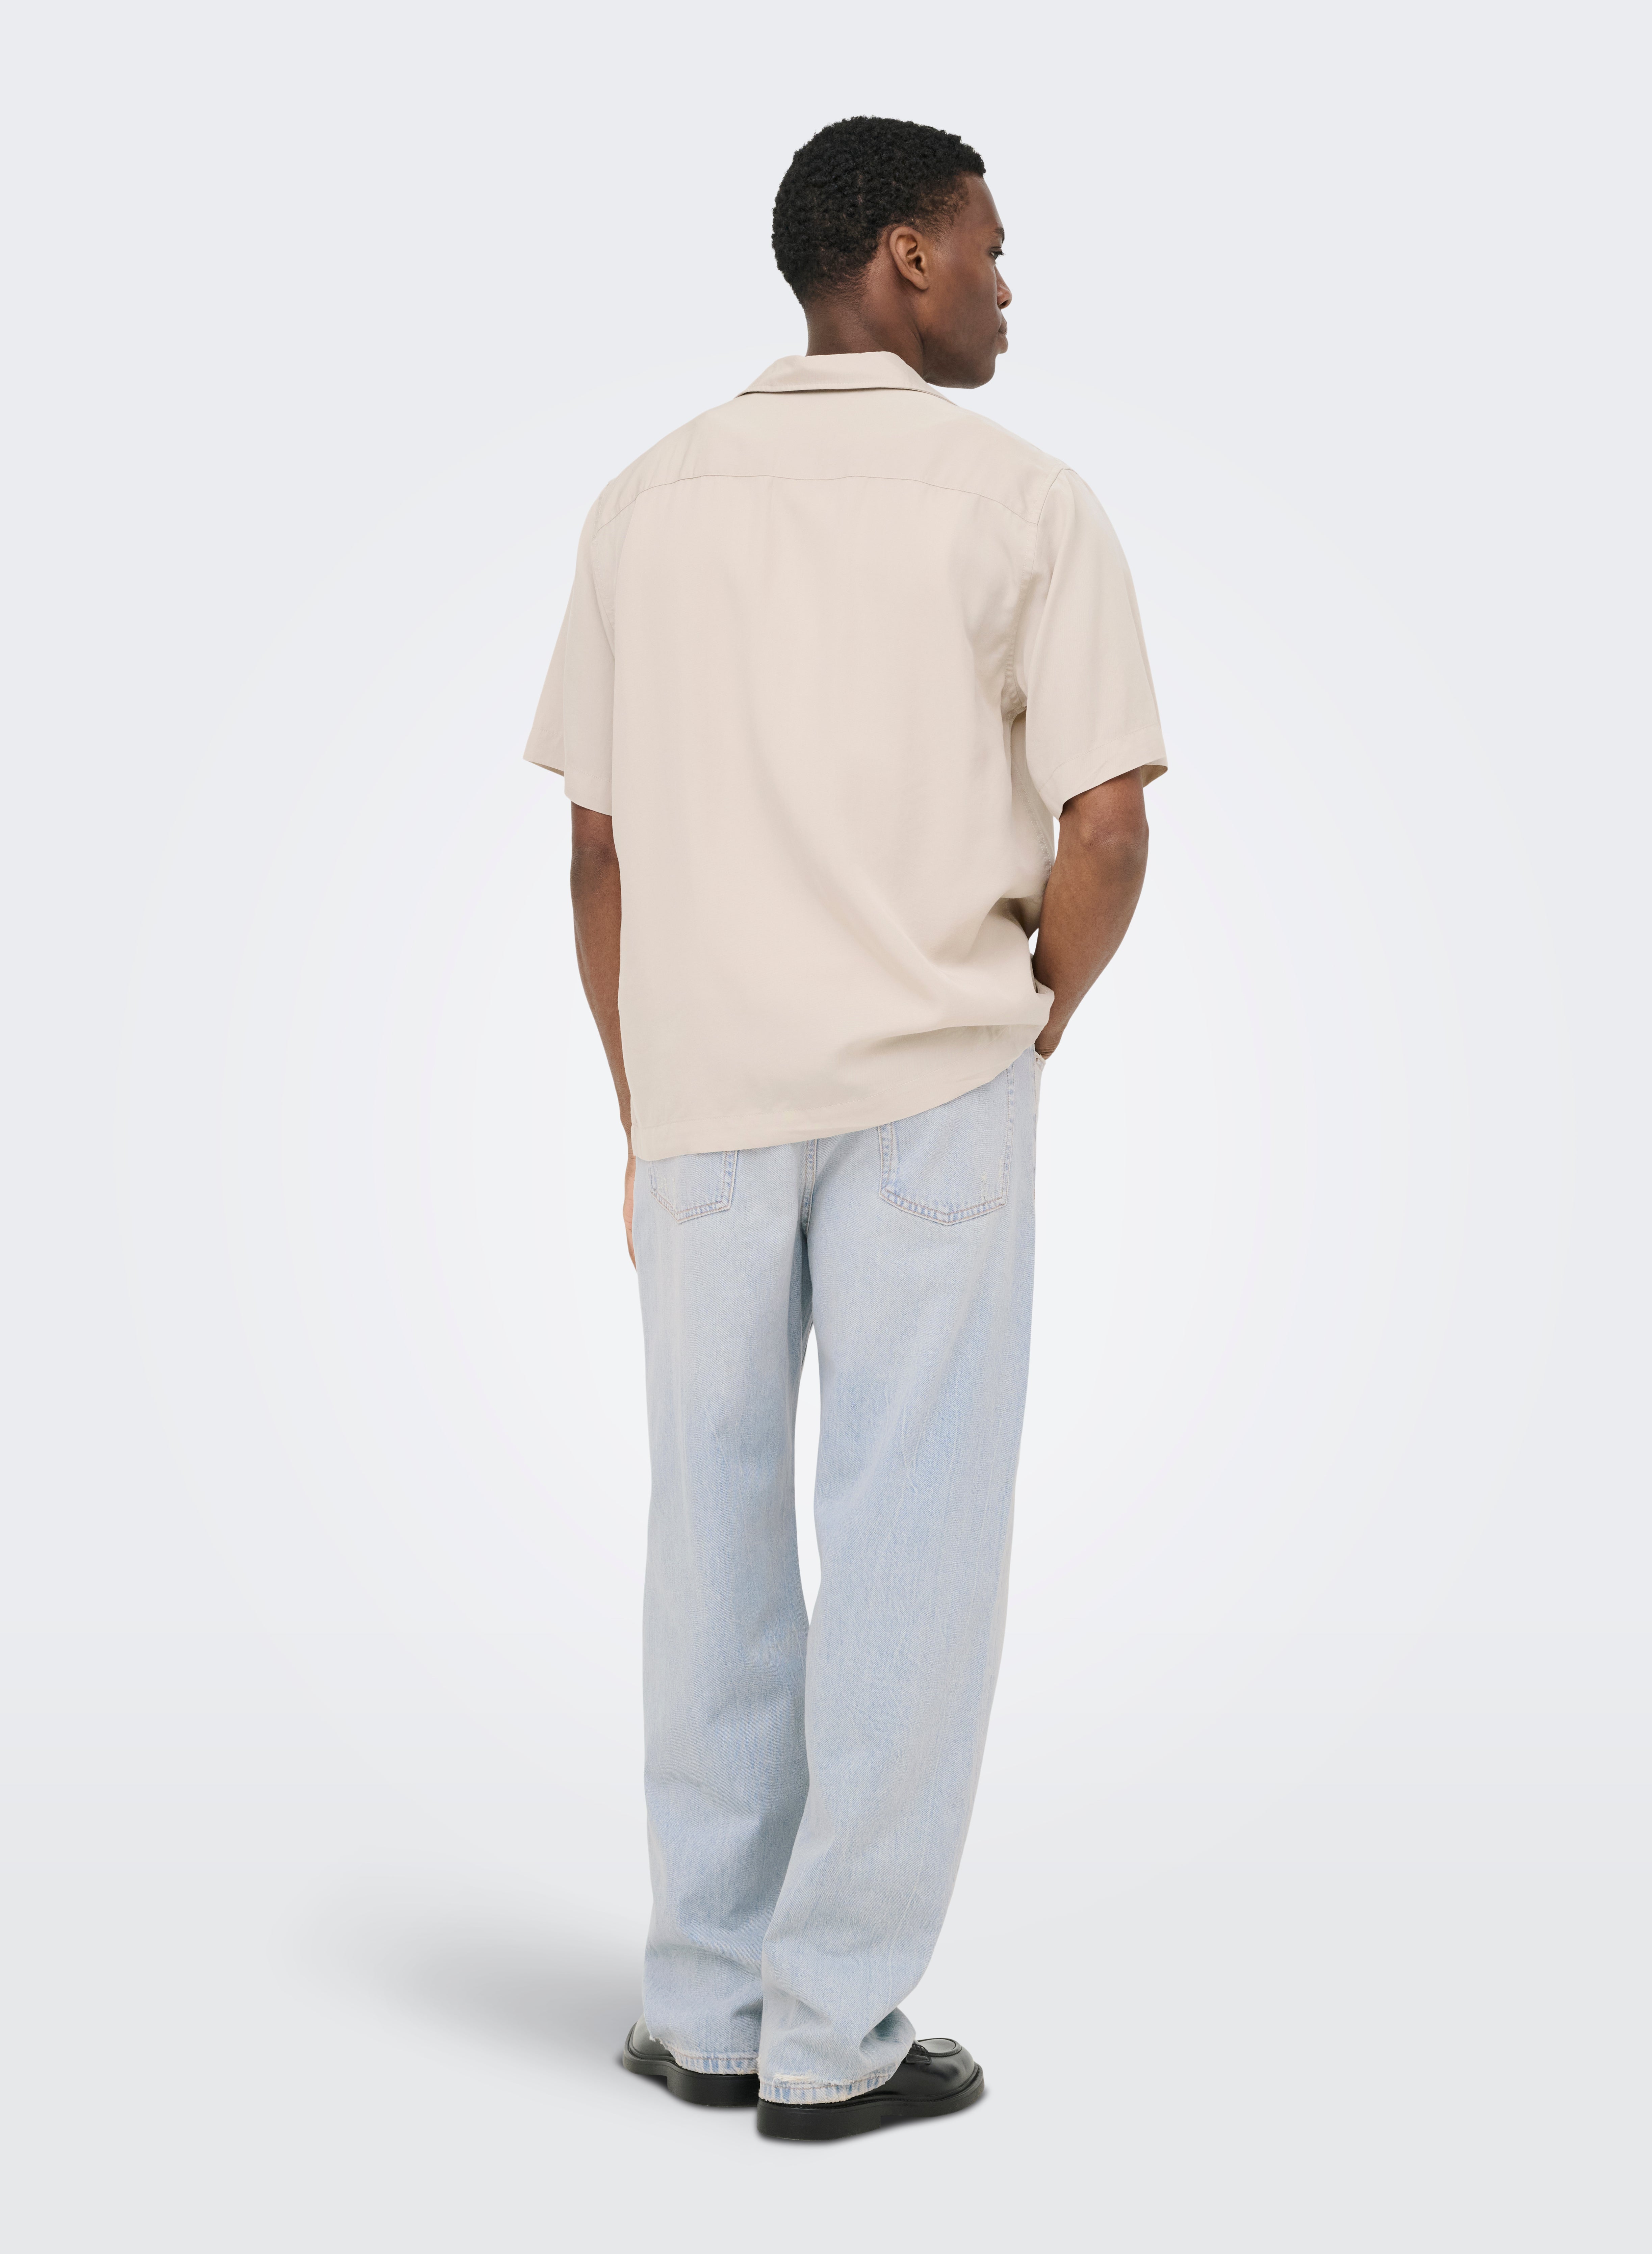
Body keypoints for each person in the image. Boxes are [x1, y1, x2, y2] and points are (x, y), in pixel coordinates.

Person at [524, 114, 1165, 2141]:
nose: (1005, 286)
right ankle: (835, 2031)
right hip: (931, 1083)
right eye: (988, 247)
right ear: (901, 257)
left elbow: (598, 852)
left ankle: (707, 2003)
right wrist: (1040, 1012)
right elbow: (1109, 824)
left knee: (706, 1537)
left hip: (706, 1092)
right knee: (911, 1543)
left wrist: (645, 1105)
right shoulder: (1024, 501)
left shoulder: (646, 503)